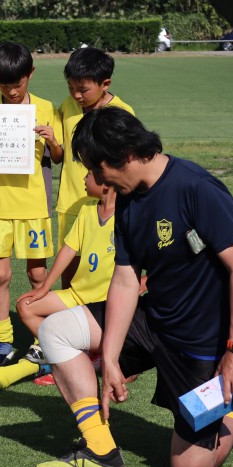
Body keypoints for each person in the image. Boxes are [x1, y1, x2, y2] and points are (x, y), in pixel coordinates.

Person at [34, 107, 233, 467]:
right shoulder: (128, 198)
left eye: (99, 170)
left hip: (201, 342)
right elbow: (127, 278)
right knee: (55, 330)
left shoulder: (196, 188)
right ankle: (101, 452)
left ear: (126, 155)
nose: (98, 180)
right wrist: (110, 357)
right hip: (151, 321)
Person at [0, 42, 62, 367]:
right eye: (5, 85)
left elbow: (59, 158)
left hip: (35, 206)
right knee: (1, 275)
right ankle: (2, 338)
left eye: (17, 84)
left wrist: (51, 139)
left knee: (37, 275)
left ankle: (42, 340)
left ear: (29, 75)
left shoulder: (46, 107)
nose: (12, 91)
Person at [17, 170, 122, 386]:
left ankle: (89, 357)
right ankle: (72, 357)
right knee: (25, 306)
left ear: (105, 183)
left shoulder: (126, 214)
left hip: (103, 303)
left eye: (89, 174)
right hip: (77, 295)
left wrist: (144, 282)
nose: (83, 178)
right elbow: (68, 250)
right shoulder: (86, 209)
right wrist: (45, 287)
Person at [56, 48, 134, 289]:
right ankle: (70, 324)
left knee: (105, 273)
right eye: (71, 88)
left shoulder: (122, 113)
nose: (76, 95)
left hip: (106, 206)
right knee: (68, 273)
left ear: (105, 83)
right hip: (70, 204)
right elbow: (60, 151)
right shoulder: (67, 106)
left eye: (83, 90)